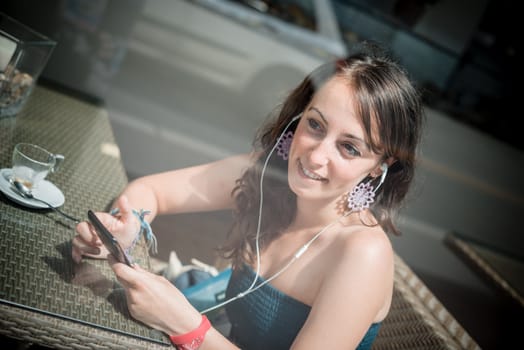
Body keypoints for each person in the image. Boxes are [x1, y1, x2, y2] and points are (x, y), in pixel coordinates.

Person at [72, 43, 424, 350]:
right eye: (315, 125)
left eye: (349, 147)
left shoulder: (362, 253)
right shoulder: (268, 172)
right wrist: (128, 228)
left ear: (381, 165)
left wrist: (184, 325)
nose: (316, 156)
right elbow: (150, 192)